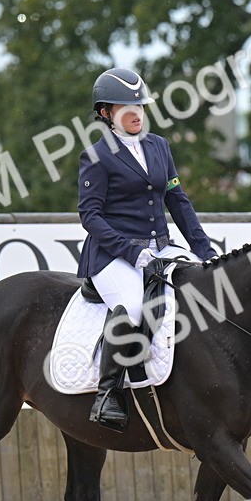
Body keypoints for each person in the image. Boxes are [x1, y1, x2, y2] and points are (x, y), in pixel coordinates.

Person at [76, 67, 217, 431]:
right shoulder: (97, 155)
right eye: (126, 107)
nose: (136, 113)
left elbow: (177, 200)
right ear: (106, 113)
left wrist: (204, 250)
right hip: (111, 255)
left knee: (197, 291)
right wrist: (130, 251)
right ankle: (107, 394)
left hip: (159, 248)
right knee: (135, 304)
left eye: (140, 105)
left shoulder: (159, 147)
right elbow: (89, 216)